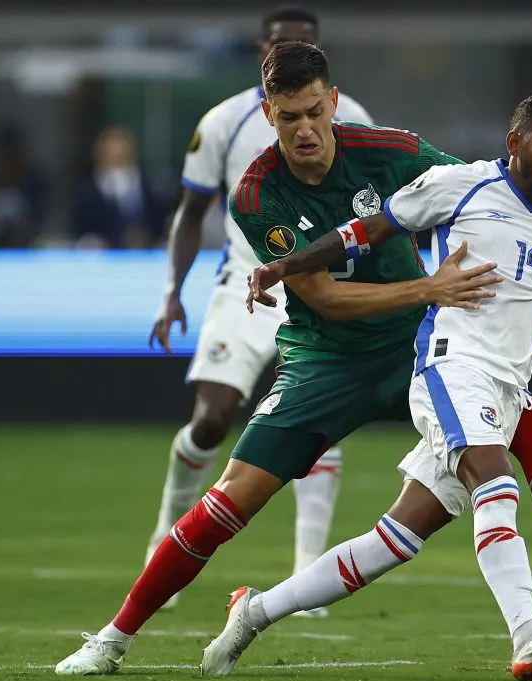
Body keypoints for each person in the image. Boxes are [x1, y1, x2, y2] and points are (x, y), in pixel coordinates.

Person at [55, 42, 532, 677]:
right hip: (325, 360)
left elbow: (494, 191)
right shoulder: (257, 194)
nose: (306, 128)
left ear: (334, 102)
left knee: (520, 417)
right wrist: (428, 288)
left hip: (416, 348)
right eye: (289, 117)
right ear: (269, 114)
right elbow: (323, 297)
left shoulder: (389, 151)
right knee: (234, 498)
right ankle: (112, 639)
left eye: (315, 111)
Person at [201, 88, 532, 681]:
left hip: (505, 384)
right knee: (497, 485)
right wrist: (285, 266)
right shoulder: (458, 184)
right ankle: (530, 630)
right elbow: (363, 231)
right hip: (452, 366)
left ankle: (254, 612)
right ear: (515, 142)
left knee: (394, 539)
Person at [145, 6, 373, 614]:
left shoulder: (352, 118)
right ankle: (167, 532)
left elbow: (383, 211)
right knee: (214, 418)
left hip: (323, 286)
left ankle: (307, 576)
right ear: (260, 52)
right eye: (281, 43)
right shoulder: (225, 120)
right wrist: (173, 290)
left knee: (318, 423)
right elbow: (191, 212)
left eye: (305, 43)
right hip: (246, 289)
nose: (293, 49)